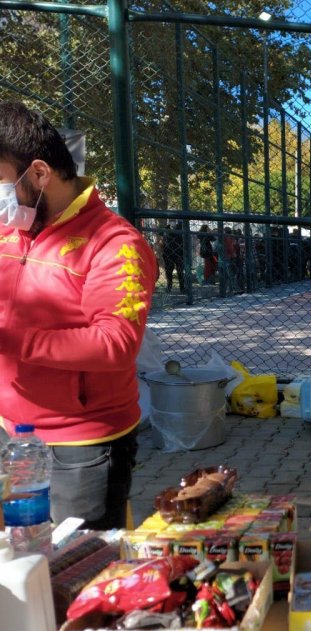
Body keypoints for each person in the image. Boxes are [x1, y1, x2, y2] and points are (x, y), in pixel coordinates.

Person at [0, 101, 157, 529]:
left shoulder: (115, 243)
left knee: (79, 567)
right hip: (12, 432)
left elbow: (115, 344)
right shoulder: (10, 230)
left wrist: (15, 340)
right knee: (23, 563)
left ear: (38, 173)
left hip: (83, 441)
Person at [161, 221, 184, 293]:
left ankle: (182, 287)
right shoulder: (165, 229)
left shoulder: (180, 228)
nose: (172, 222)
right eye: (171, 220)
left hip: (179, 253)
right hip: (168, 253)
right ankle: (169, 286)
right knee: (168, 270)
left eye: (173, 220)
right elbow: (161, 239)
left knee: (180, 270)